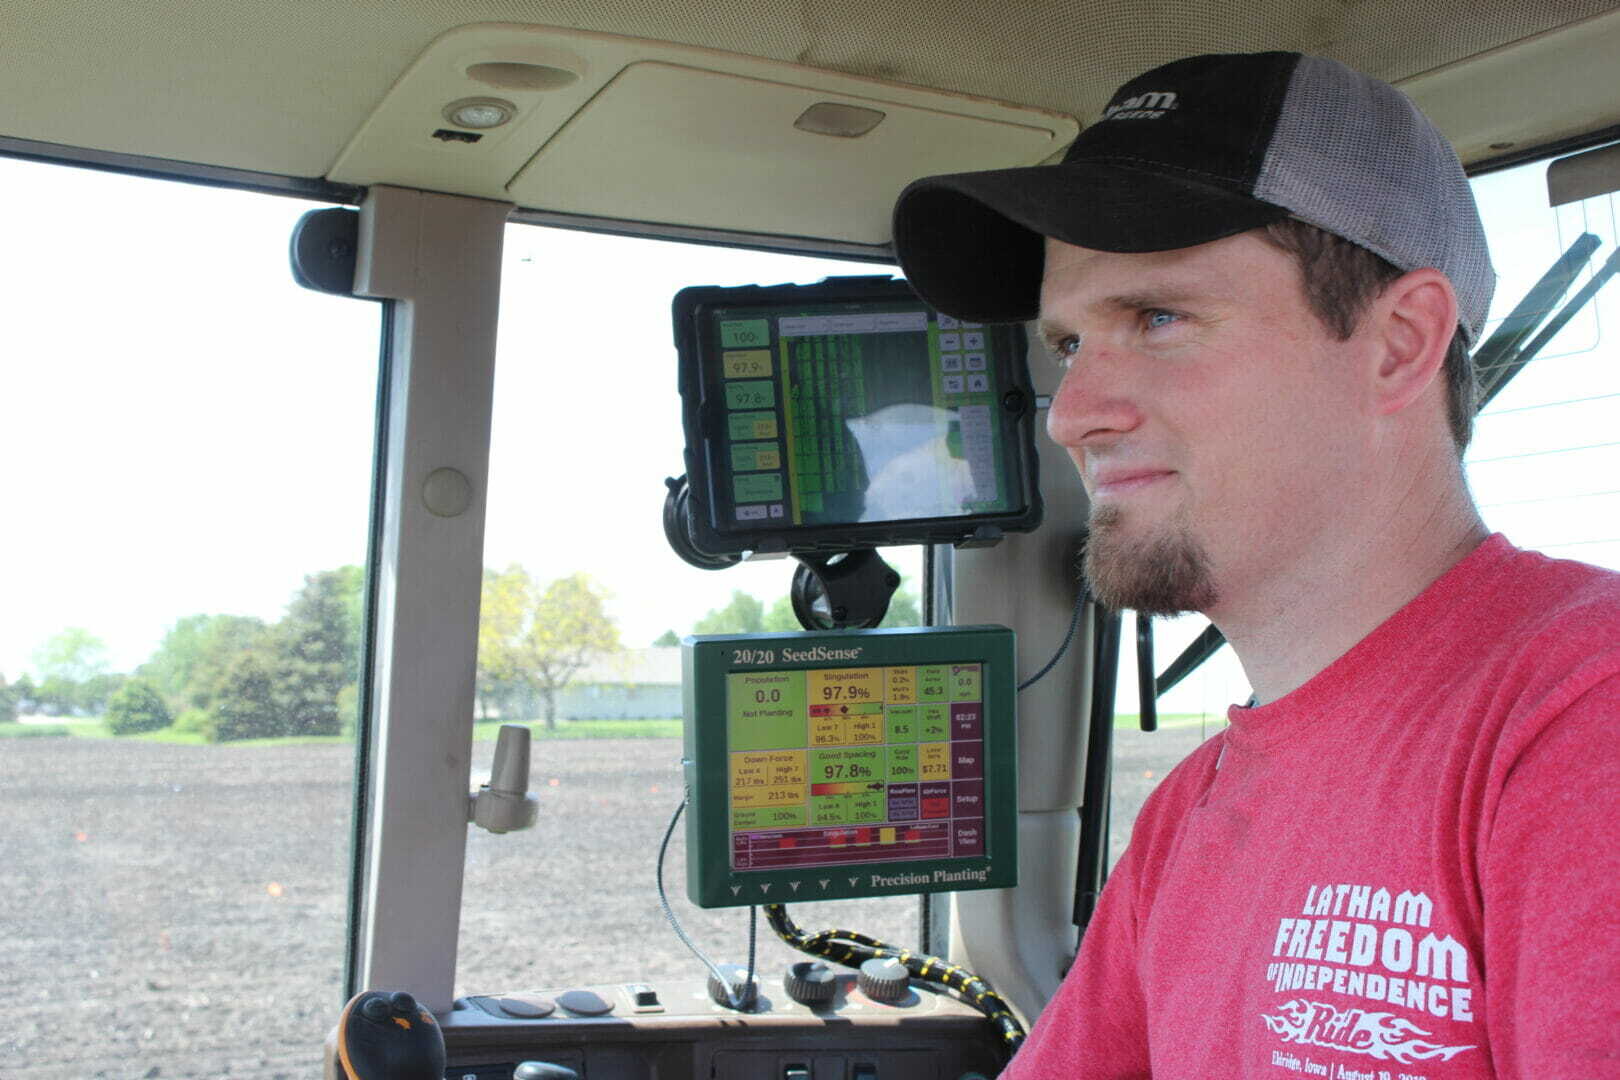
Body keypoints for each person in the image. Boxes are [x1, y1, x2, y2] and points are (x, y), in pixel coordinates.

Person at [891, 52, 1620, 1076]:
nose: (1071, 414)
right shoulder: (1191, 813)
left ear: (1400, 343)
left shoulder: (1580, 718)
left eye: (1158, 319)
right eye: (1069, 346)